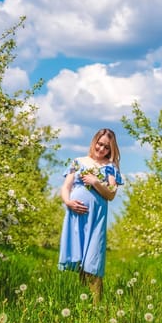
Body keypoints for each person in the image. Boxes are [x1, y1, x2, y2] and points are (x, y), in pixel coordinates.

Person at [58, 128, 123, 303]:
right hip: (76, 215)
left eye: (106, 147)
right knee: (80, 261)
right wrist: (68, 202)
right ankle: (83, 303)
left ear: (111, 150)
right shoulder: (78, 162)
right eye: (100, 144)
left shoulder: (110, 168)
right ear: (94, 141)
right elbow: (66, 187)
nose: (101, 149)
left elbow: (111, 194)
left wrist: (95, 182)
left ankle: (96, 308)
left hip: (96, 218)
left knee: (93, 261)